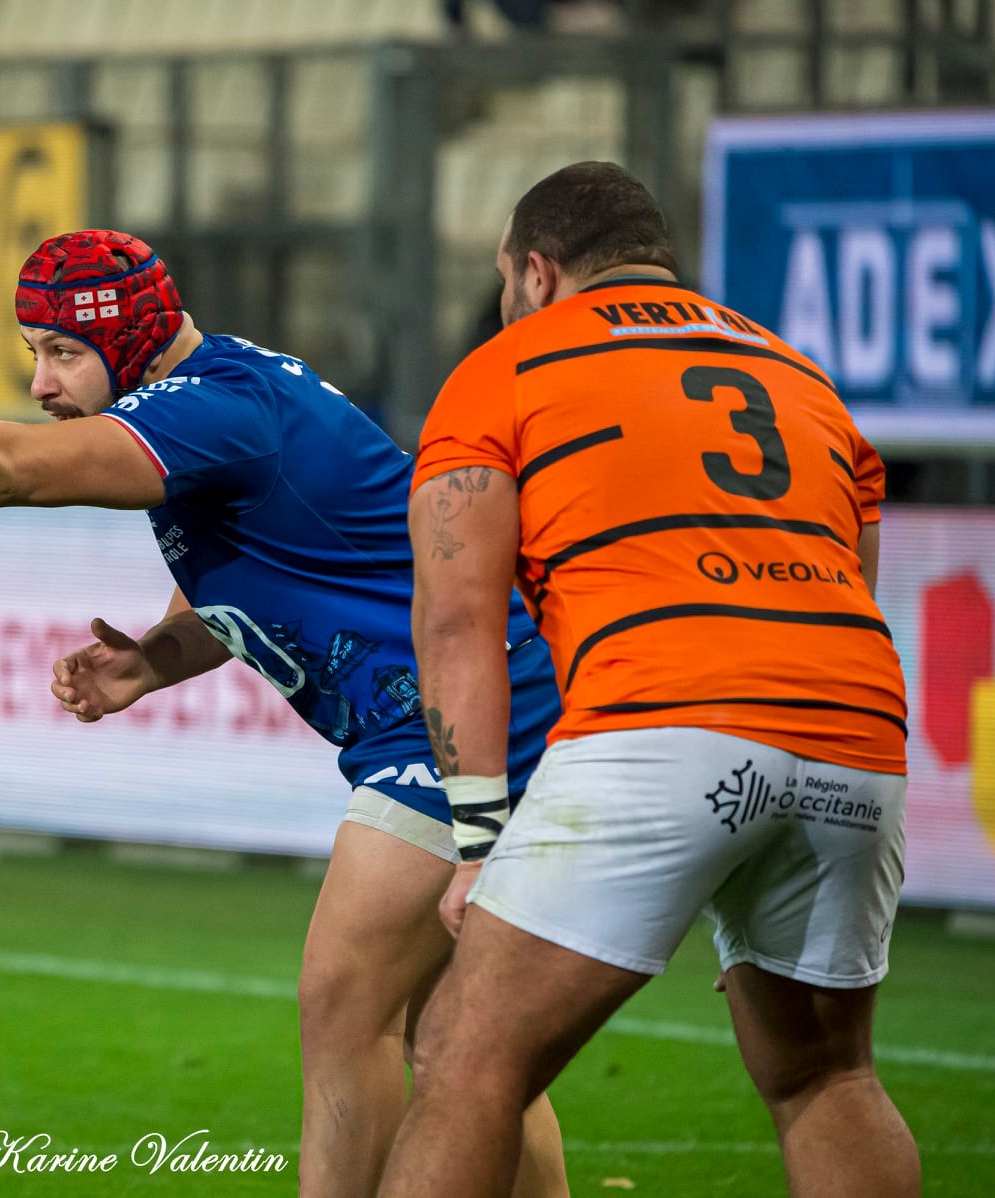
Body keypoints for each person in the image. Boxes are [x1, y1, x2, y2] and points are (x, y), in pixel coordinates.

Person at [0, 229, 570, 1198]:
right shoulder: (227, 396)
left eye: (61, 352)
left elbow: (7, 468)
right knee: (459, 1037)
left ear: (133, 340)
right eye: (32, 354)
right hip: (497, 704)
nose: (42, 386)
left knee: (347, 1008)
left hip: (460, 721)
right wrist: (159, 658)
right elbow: (289, 563)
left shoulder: (214, 408)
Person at [385, 163, 916, 1198]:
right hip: (857, 729)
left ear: (536, 271)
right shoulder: (801, 376)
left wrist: (480, 841)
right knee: (827, 1074)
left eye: (505, 280)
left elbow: (456, 616)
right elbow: (854, 588)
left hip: (664, 719)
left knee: (466, 1055)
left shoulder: (506, 368)